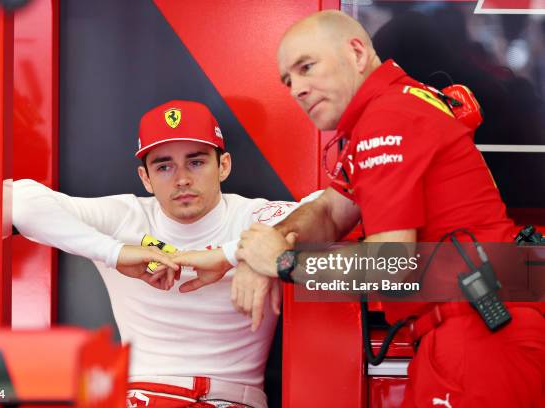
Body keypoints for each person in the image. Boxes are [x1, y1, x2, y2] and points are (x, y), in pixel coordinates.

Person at [223, 10, 544, 408]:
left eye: (307, 67)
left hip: (480, 335)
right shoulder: (389, 110)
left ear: (357, 53)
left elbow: (390, 267)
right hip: (470, 332)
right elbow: (330, 213)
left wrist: (284, 262)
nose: (297, 90)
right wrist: (264, 249)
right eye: (288, 80)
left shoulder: (387, 117)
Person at [12, 99, 318, 408]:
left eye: (196, 162)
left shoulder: (253, 217)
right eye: (164, 166)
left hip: (230, 397)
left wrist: (245, 252)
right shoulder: (125, 216)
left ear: (223, 165)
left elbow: (335, 207)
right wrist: (115, 253)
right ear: (146, 178)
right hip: (141, 395)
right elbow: (17, 202)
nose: (182, 179)